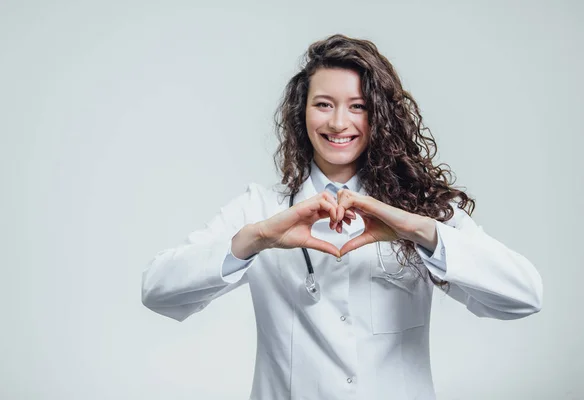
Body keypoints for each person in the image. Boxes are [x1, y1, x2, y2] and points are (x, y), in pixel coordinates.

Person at [141, 34, 543, 400]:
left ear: (380, 116)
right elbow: (158, 290)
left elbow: (524, 296)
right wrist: (256, 239)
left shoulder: (418, 209)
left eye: (358, 107)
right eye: (323, 105)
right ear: (302, 114)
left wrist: (422, 231)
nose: (338, 123)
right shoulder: (260, 209)